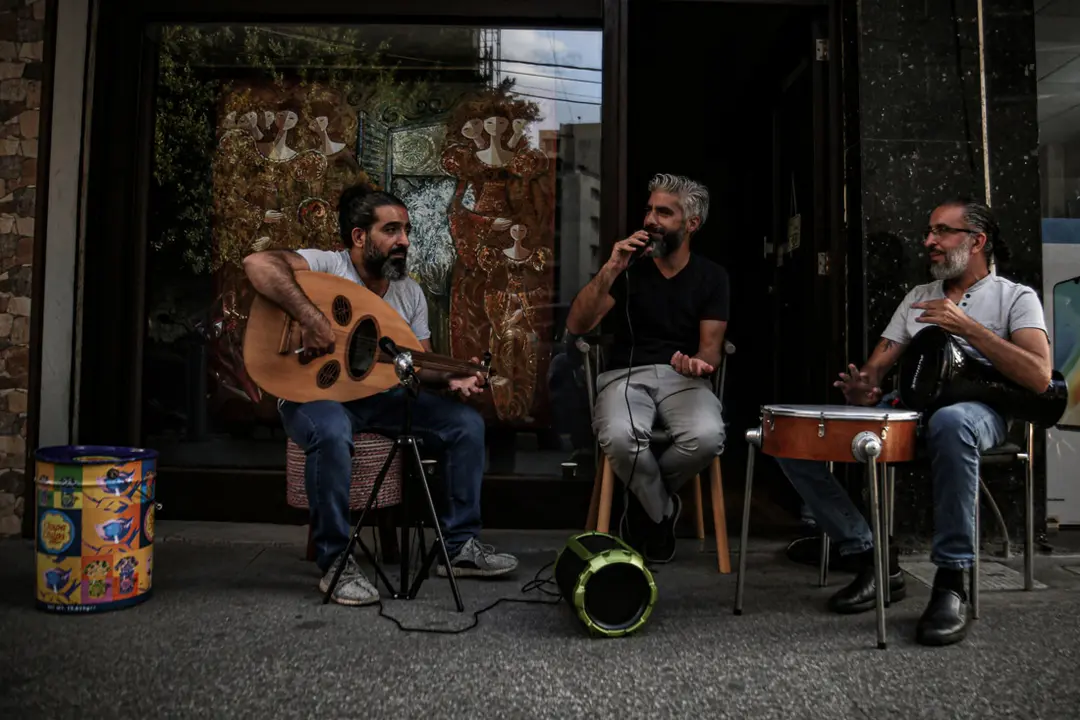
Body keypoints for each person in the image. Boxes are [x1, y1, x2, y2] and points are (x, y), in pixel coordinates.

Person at [777, 198, 1051, 646]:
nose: (929, 241)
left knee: (952, 422)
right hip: (910, 408)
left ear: (977, 241)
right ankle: (870, 557)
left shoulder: (1015, 298)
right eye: (929, 232)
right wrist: (863, 390)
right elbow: (876, 370)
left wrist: (970, 329)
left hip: (979, 413)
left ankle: (950, 580)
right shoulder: (918, 298)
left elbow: (1040, 376)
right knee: (793, 433)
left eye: (942, 232)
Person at [242, 184, 518, 607]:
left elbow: (416, 365)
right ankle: (337, 562)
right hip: (312, 396)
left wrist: (450, 378)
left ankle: (459, 547)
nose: (404, 240)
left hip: (378, 398)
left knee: (465, 425)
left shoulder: (409, 293)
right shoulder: (326, 266)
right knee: (332, 432)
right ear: (359, 237)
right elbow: (258, 263)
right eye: (391, 230)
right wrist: (311, 317)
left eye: (406, 230)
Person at [566, 173, 730, 563]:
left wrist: (697, 365)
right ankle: (662, 510)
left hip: (683, 380)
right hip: (625, 377)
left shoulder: (712, 277)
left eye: (664, 212)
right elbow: (577, 325)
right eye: (649, 210)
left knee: (707, 438)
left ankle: (641, 501)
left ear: (691, 224)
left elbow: (711, 350)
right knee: (621, 439)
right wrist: (611, 267)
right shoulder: (628, 269)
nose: (651, 220)